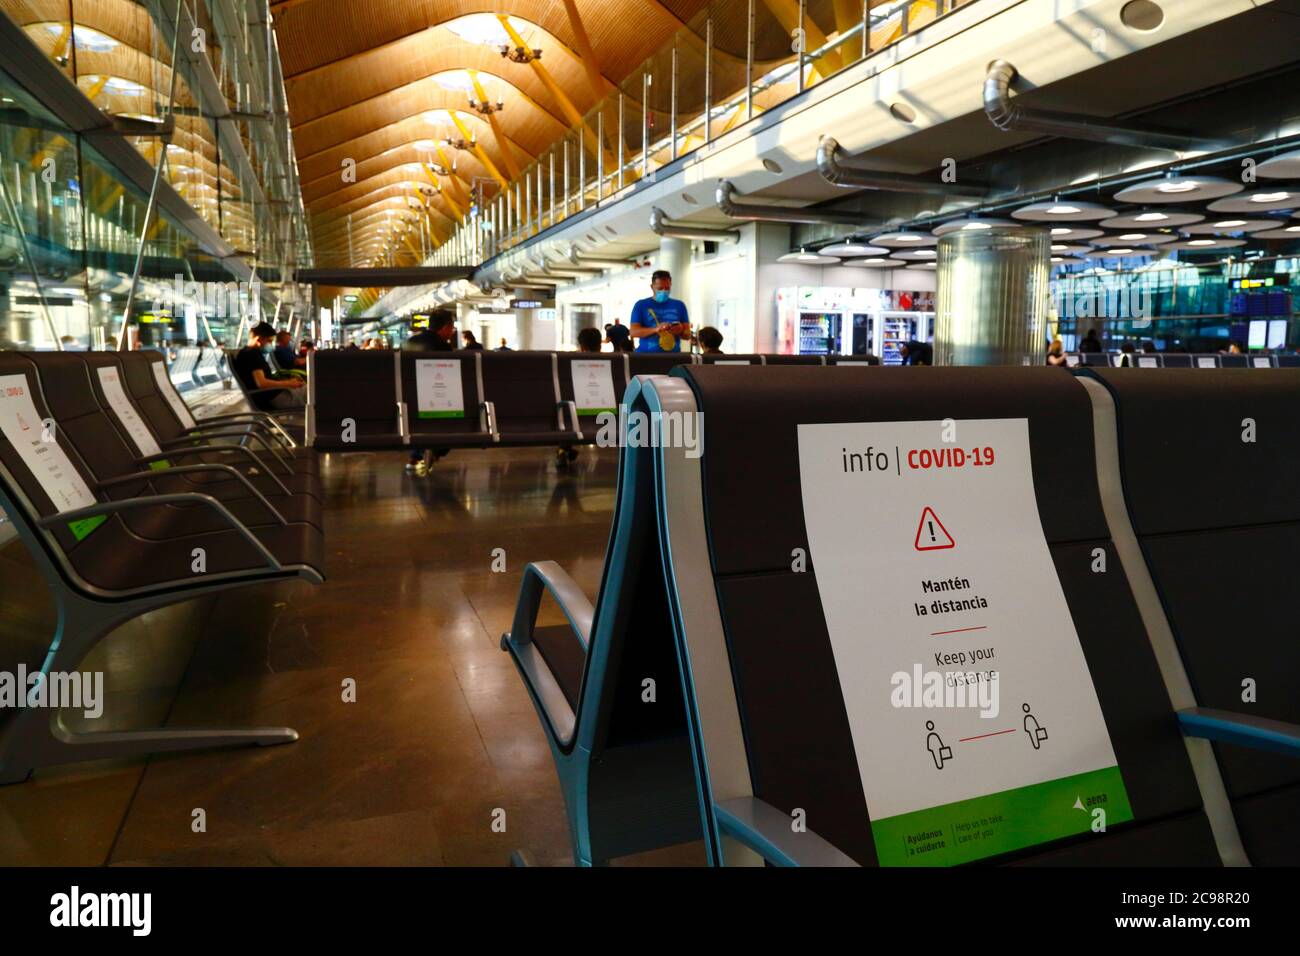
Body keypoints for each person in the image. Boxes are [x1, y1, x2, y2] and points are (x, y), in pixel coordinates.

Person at [402, 309, 456, 475]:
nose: (452, 332)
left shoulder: (408, 343)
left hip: (407, 399)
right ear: (446, 327)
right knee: (454, 418)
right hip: (434, 400)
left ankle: (417, 455)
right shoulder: (443, 347)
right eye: (452, 328)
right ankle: (435, 450)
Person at [556, 328, 605, 469]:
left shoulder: (571, 364)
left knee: (567, 414)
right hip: (610, 417)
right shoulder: (612, 362)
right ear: (600, 345)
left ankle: (563, 449)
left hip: (576, 418)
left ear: (582, 346)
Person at [232, 320, 307, 411]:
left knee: (314, 389)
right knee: (317, 392)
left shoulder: (247, 353)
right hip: (277, 398)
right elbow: (262, 383)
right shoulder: (252, 354)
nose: (270, 344)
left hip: (278, 394)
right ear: (258, 339)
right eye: (269, 341)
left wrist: (289, 382)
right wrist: (289, 383)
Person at [629, 270, 689, 352]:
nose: (664, 291)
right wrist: (656, 329)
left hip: (673, 356)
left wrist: (680, 329)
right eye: (660, 288)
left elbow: (687, 335)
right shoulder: (641, 305)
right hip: (646, 356)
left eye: (667, 288)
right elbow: (633, 332)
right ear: (652, 286)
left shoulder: (679, 305)